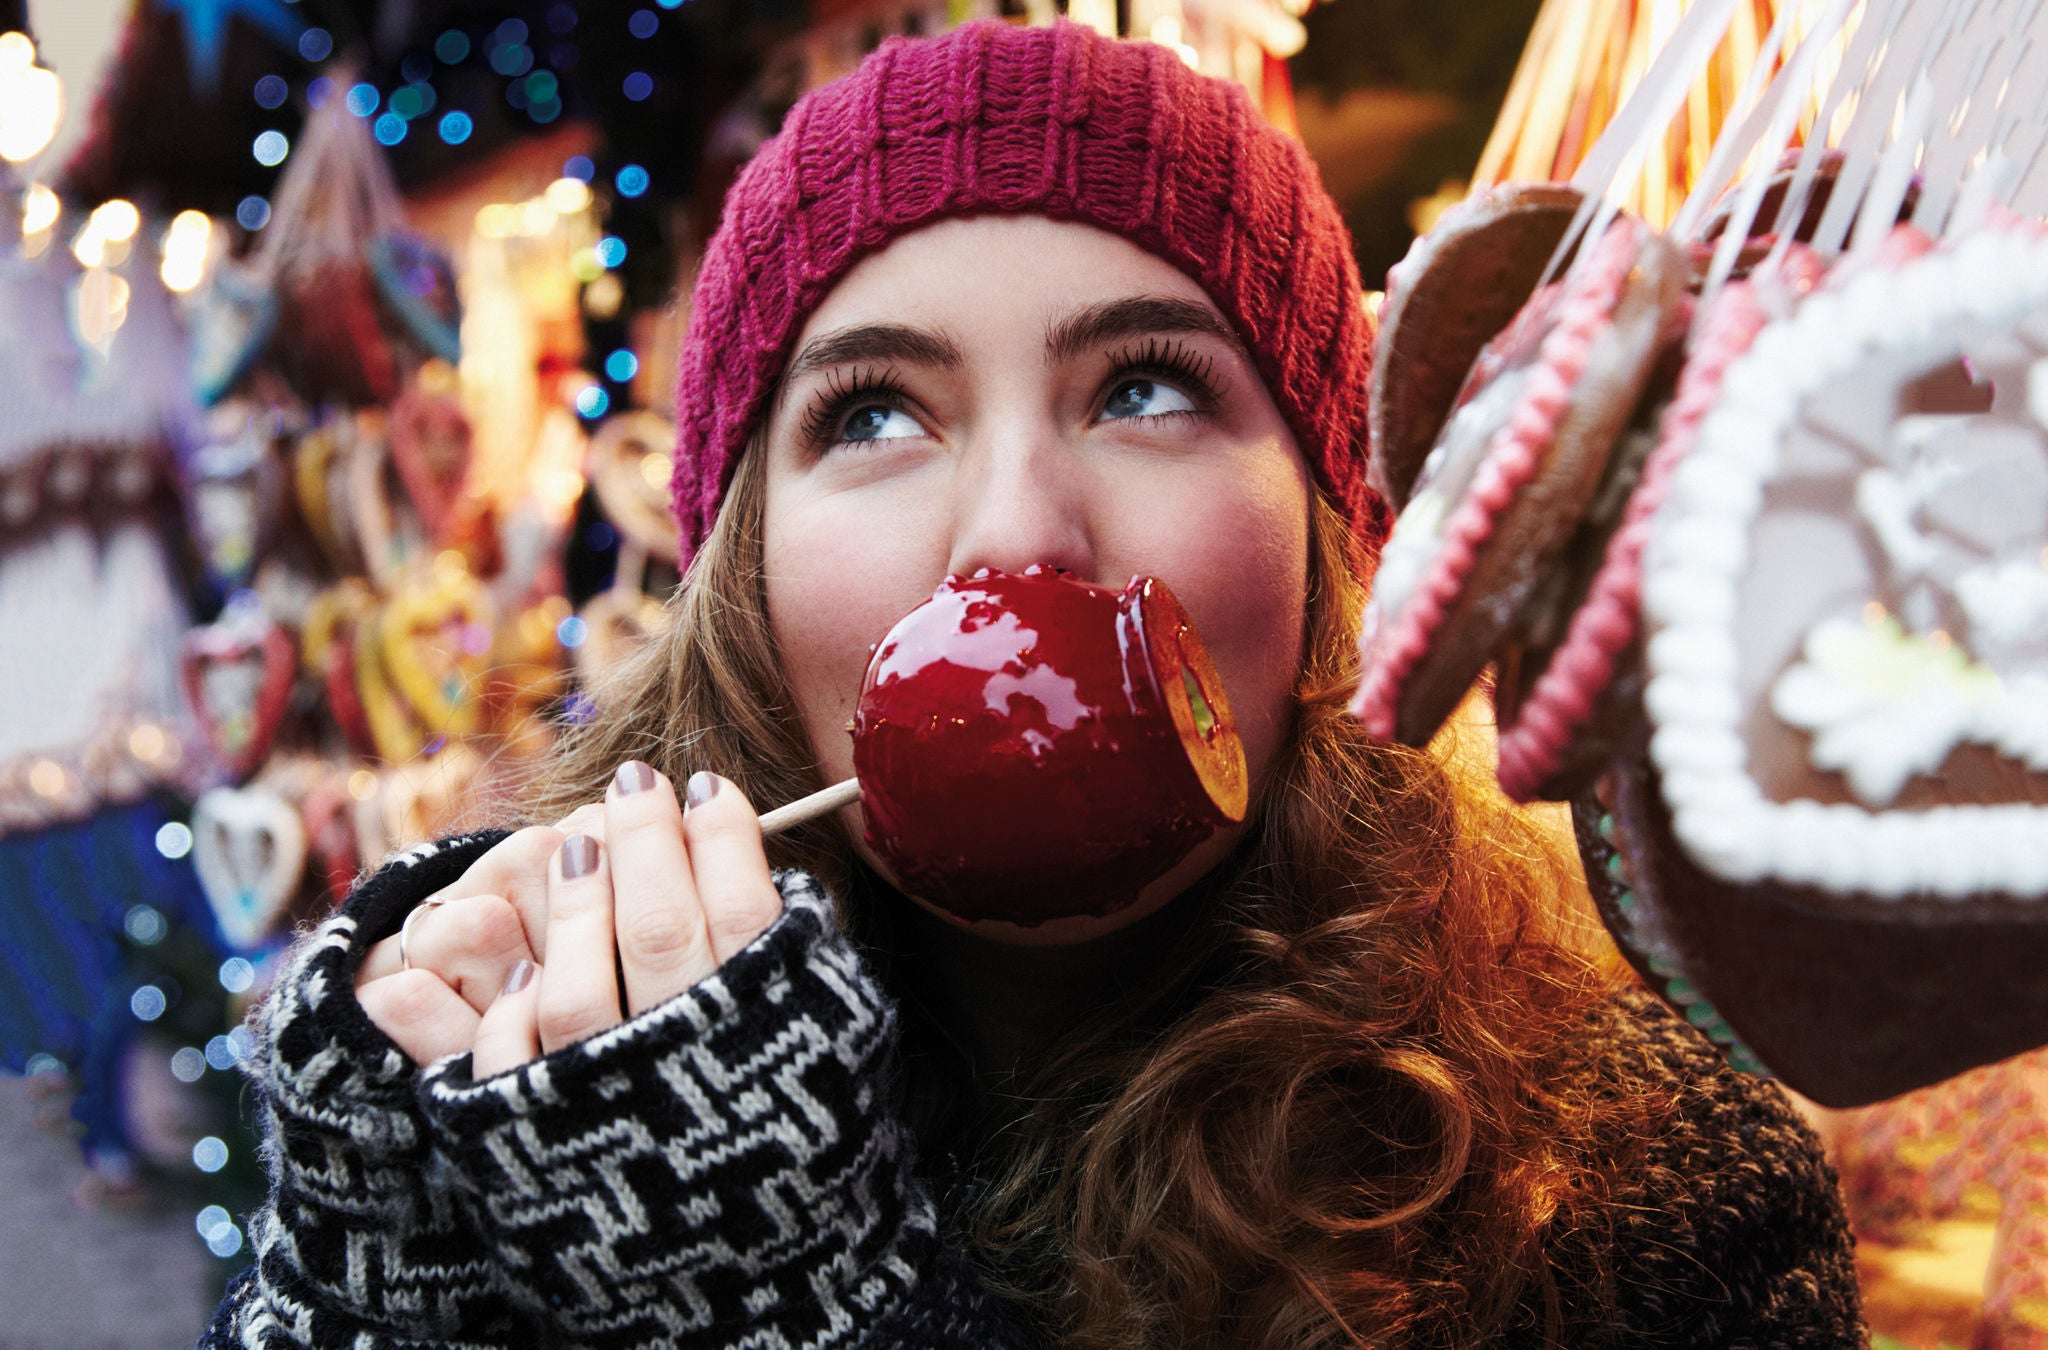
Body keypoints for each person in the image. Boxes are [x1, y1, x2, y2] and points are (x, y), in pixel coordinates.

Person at [202, 20, 1865, 1350]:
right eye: (872, 415)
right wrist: (382, 1263)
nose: (1015, 534)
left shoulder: (1635, 1192)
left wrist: (788, 1301)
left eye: (1145, 386)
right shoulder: (537, 1073)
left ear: (1323, 530)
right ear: (743, 572)